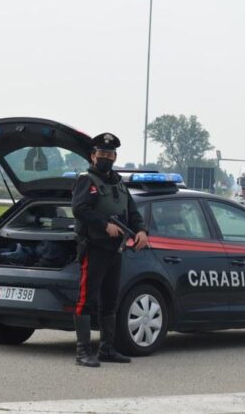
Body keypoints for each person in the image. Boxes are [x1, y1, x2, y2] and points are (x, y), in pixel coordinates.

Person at [71, 133, 149, 367]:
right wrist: (105, 225)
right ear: (93, 156)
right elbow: (80, 209)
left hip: (115, 250)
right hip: (94, 247)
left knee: (110, 300)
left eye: (110, 154)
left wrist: (142, 230)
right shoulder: (86, 180)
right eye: (102, 154)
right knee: (86, 300)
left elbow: (132, 211)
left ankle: (107, 348)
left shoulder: (118, 182)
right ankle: (83, 351)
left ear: (115, 156)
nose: (106, 158)